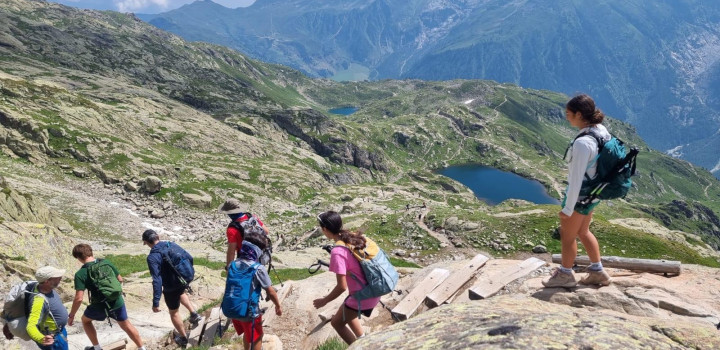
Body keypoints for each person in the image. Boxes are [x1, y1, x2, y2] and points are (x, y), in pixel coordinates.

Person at [542, 94, 612, 288]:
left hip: (580, 196)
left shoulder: (583, 143)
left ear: (579, 114)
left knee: (568, 236)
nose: (566, 117)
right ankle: (598, 271)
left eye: (568, 113)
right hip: (593, 194)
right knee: (583, 231)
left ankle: (565, 274)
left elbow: (575, 180)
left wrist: (567, 209)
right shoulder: (600, 130)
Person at [312, 211, 380, 345]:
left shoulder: (338, 251)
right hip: (374, 287)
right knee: (346, 311)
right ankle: (363, 339)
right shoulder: (352, 237)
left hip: (363, 295)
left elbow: (341, 287)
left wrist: (324, 301)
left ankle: (359, 348)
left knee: (336, 323)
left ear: (325, 229)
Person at [68, 244, 146, 350]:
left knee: (85, 321)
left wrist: (72, 315)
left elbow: (79, 298)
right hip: (116, 301)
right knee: (126, 324)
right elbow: (120, 279)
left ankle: (97, 348)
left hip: (99, 305)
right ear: (91, 252)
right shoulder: (106, 263)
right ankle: (142, 348)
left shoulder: (80, 274)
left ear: (78, 257)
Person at [142, 229, 203, 347]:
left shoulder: (152, 257)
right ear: (157, 236)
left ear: (146, 242)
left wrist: (156, 302)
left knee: (173, 312)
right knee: (180, 292)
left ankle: (184, 338)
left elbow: (157, 280)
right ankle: (194, 314)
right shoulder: (171, 244)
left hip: (171, 285)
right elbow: (189, 257)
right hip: (184, 278)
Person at [228, 229, 282, 350]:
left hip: (233, 308)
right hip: (249, 311)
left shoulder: (233, 264)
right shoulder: (258, 268)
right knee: (257, 336)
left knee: (248, 334)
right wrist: (278, 306)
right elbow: (270, 292)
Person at [26, 266, 69, 350]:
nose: (60, 277)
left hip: (60, 331)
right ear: (47, 281)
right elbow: (30, 326)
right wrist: (42, 339)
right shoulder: (39, 301)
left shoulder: (48, 288)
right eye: (56, 277)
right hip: (53, 339)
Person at [219, 199, 269, 268]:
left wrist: (228, 268)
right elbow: (266, 231)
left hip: (246, 260)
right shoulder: (252, 217)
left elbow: (231, 252)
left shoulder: (232, 229)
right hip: (261, 255)